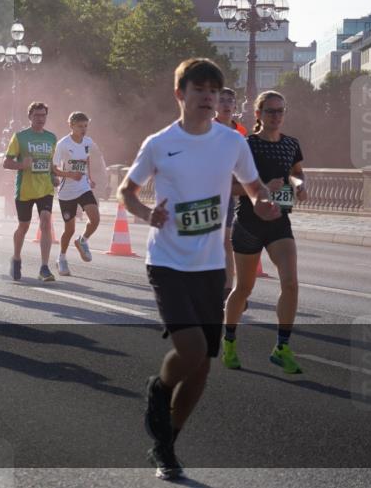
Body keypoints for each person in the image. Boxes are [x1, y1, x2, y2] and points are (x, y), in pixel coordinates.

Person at [117, 58, 279, 480]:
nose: (208, 96)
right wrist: (146, 212)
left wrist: (261, 199)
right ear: (180, 95)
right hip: (168, 262)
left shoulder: (232, 142)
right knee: (189, 351)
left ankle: (166, 445)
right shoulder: (159, 142)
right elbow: (126, 191)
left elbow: (253, 185)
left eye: (214, 89)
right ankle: (159, 389)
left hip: (210, 268)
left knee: (203, 366)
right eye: (199, 89)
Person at [222, 90, 308, 374]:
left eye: (281, 110)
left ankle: (282, 347)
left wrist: (298, 184)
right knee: (244, 289)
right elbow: (227, 187)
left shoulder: (291, 144)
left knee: (291, 283)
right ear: (257, 114)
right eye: (270, 111)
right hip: (249, 222)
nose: (276, 116)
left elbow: (295, 171)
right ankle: (230, 341)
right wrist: (260, 188)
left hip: (279, 221)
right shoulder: (245, 146)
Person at [3, 102, 59, 282]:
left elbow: (51, 162)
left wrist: (53, 175)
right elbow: (6, 163)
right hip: (25, 190)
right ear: (30, 117)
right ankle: (16, 258)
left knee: (45, 221)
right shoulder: (20, 137)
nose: (40, 119)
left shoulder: (51, 138)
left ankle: (44, 267)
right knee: (24, 226)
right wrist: (22, 165)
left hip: (45, 189)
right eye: (37, 115)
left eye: (43, 115)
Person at [52, 112, 101, 276]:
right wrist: (70, 175)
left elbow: (86, 160)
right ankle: (62, 258)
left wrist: (90, 178)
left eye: (86, 126)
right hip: (67, 192)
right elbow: (53, 168)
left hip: (83, 187)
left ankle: (83, 241)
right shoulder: (63, 144)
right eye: (80, 126)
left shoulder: (88, 142)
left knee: (95, 219)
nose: (83, 129)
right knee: (69, 229)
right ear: (71, 125)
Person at [215, 87, 247, 298]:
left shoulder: (241, 132)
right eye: (222, 100)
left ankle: (227, 290)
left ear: (235, 106)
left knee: (226, 240)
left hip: (227, 194)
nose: (226, 104)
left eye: (230, 101)